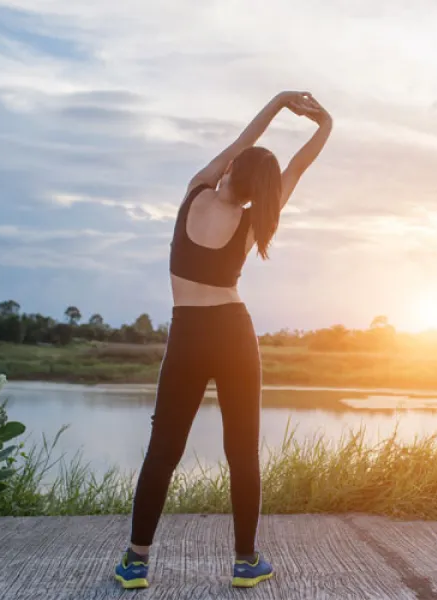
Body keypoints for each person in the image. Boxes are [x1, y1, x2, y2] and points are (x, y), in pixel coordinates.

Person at [113, 90, 333, 590]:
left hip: (188, 335)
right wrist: (325, 127)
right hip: (234, 333)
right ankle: (244, 562)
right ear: (263, 191)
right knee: (242, 451)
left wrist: (279, 103)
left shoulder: (196, 191)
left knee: (162, 451)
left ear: (232, 169)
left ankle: (136, 562)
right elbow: (295, 169)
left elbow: (243, 141)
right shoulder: (256, 217)